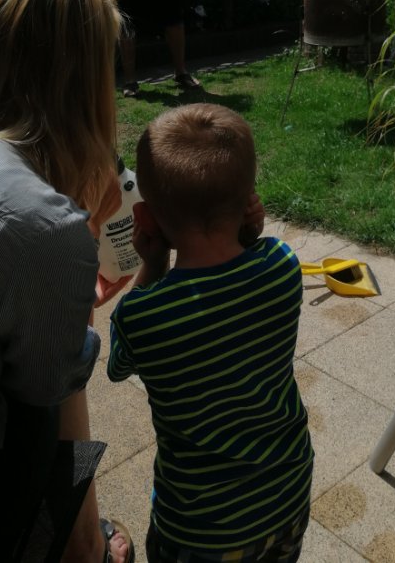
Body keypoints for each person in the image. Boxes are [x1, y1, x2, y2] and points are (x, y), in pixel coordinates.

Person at [0, 0, 132, 563]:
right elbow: (48, 384)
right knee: (42, 411)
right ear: (86, 83)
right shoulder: (44, 227)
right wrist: (79, 249)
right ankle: (82, 548)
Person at [108, 103, 314, 563]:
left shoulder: (145, 314)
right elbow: (244, 271)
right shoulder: (282, 265)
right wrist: (248, 235)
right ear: (247, 201)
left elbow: (118, 367)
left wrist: (153, 264)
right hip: (287, 495)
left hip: (201, 528)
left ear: (148, 217)